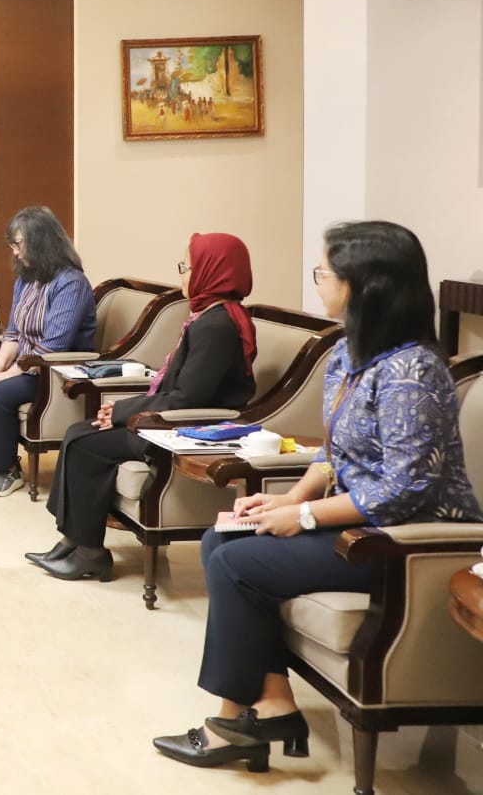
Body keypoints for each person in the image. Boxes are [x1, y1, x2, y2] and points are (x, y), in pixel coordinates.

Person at [153, 221, 483, 774]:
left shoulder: (413, 370)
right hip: (354, 522)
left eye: (324, 272)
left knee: (237, 562)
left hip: (400, 543)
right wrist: (285, 502)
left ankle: (233, 719)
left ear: (361, 285)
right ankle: (273, 701)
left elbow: (403, 490)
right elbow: (336, 457)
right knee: (220, 539)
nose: (319, 281)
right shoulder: (351, 357)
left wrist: (305, 515)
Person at [27, 232, 258, 582]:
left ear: (212, 271)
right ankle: (73, 541)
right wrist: (122, 409)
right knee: (79, 432)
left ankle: (89, 552)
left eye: (187, 267)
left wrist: (125, 414)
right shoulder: (208, 317)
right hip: (168, 420)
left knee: (84, 442)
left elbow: (188, 399)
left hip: (184, 430)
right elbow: (176, 389)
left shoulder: (217, 326)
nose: (182, 274)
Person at [0, 205, 96, 497]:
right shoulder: (27, 278)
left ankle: (7, 471)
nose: (15, 251)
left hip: (56, 371)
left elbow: (54, 347)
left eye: (18, 244)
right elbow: (13, 333)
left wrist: (8, 375)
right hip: (27, 365)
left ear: (40, 241)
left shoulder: (71, 283)